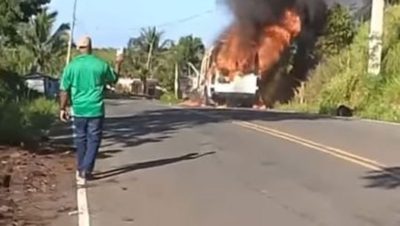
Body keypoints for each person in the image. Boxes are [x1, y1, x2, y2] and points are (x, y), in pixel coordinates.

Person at [59, 36, 123, 180]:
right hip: (95, 109)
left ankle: (82, 167)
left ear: (79, 48)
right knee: (94, 139)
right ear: (91, 47)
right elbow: (113, 79)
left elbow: (64, 89)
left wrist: (63, 108)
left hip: (79, 109)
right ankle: (86, 169)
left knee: (81, 139)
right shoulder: (100, 65)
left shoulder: (71, 66)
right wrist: (118, 63)